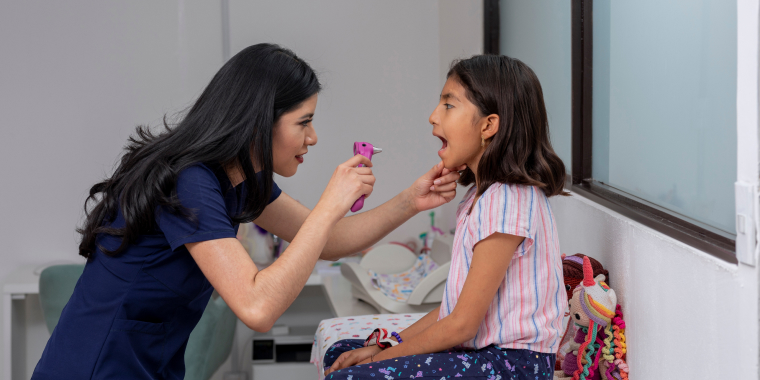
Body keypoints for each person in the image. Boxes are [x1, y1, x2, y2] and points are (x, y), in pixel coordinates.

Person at [31, 43, 463, 380]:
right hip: (95, 367)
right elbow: (257, 309)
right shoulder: (190, 179)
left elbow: (328, 241)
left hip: (148, 364)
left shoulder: (239, 180)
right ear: (260, 122)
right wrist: (331, 202)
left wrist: (410, 201)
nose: (312, 137)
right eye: (303, 122)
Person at [324, 54, 568, 379]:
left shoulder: (509, 198)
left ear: (488, 125)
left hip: (512, 365)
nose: (432, 117)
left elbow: (462, 325)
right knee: (339, 352)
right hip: (482, 353)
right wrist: (385, 346)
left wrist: (379, 360)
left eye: (448, 105)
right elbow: (453, 310)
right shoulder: (478, 198)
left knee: (351, 374)